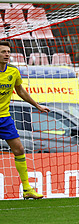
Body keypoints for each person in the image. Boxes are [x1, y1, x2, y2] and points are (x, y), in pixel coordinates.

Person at [0, 41, 49, 198]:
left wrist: (37, 105)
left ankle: (27, 189)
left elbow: (20, 90)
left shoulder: (13, 71)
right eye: (3, 52)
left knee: (19, 149)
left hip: (4, 118)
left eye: (8, 51)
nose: (7, 54)